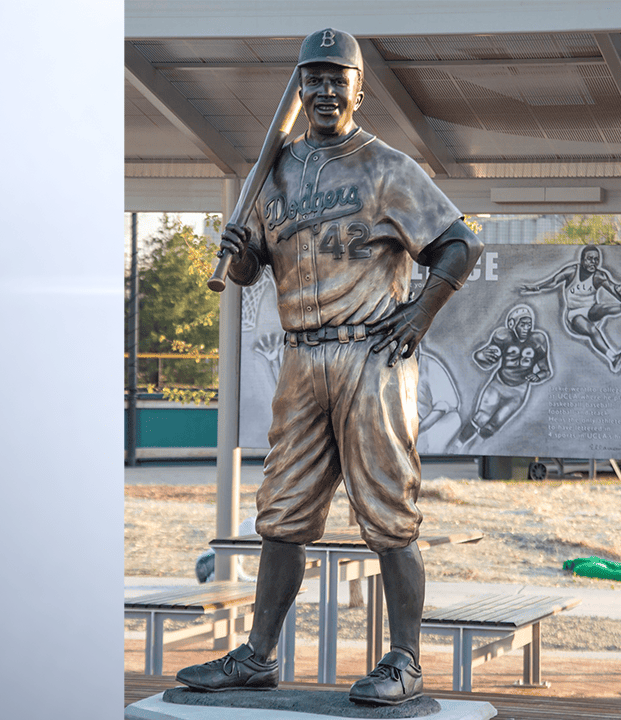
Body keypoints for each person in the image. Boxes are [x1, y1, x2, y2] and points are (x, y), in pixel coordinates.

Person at [175, 28, 483, 706]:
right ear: (299, 90)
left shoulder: (386, 167)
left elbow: (460, 244)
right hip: (301, 358)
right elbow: (255, 263)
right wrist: (240, 249)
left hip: (369, 357)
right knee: (281, 515)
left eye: (335, 78)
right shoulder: (275, 168)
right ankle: (258, 655)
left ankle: (404, 660)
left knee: (389, 516)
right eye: (311, 78)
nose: (322, 90)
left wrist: (419, 315)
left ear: (357, 90)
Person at [519, 244, 621, 373]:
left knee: (605, 308)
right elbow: (554, 281)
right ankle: (613, 358)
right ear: (582, 260)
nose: (593, 263)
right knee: (592, 331)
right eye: (590, 259)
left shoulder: (599, 276)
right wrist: (537, 287)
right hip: (574, 315)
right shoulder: (572, 271)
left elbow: (612, 288)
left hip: (591, 310)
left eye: (596, 259)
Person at [447, 304, 553, 451]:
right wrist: (481, 355)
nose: (526, 328)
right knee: (480, 418)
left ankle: (470, 450)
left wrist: (537, 376)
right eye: (522, 324)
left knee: (493, 425)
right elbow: (484, 362)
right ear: (512, 324)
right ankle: (456, 446)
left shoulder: (538, 340)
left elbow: (546, 370)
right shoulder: (503, 336)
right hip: (498, 385)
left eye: (529, 325)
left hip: (519, 391)